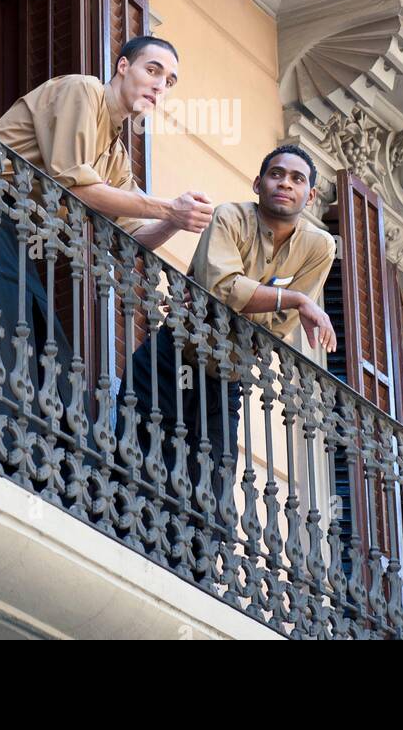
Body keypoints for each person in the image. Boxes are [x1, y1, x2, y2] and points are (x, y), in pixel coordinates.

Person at [0, 36, 213, 436]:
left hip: (12, 233)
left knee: (48, 359)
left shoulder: (116, 156)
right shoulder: (82, 89)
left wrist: (174, 220)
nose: (159, 86)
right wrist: (169, 207)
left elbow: (132, 239)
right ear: (122, 67)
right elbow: (73, 185)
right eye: (152, 70)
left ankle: (21, 449)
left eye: (169, 81)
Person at [116, 145, 338, 562]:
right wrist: (291, 298)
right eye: (276, 174)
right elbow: (221, 288)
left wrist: (268, 303)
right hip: (172, 357)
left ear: (309, 197)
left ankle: (194, 571)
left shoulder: (319, 247)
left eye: (297, 179)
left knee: (215, 486)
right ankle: (135, 548)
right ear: (259, 183)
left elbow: (275, 327)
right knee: (143, 457)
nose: (284, 183)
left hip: (227, 377)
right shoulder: (230, 218)